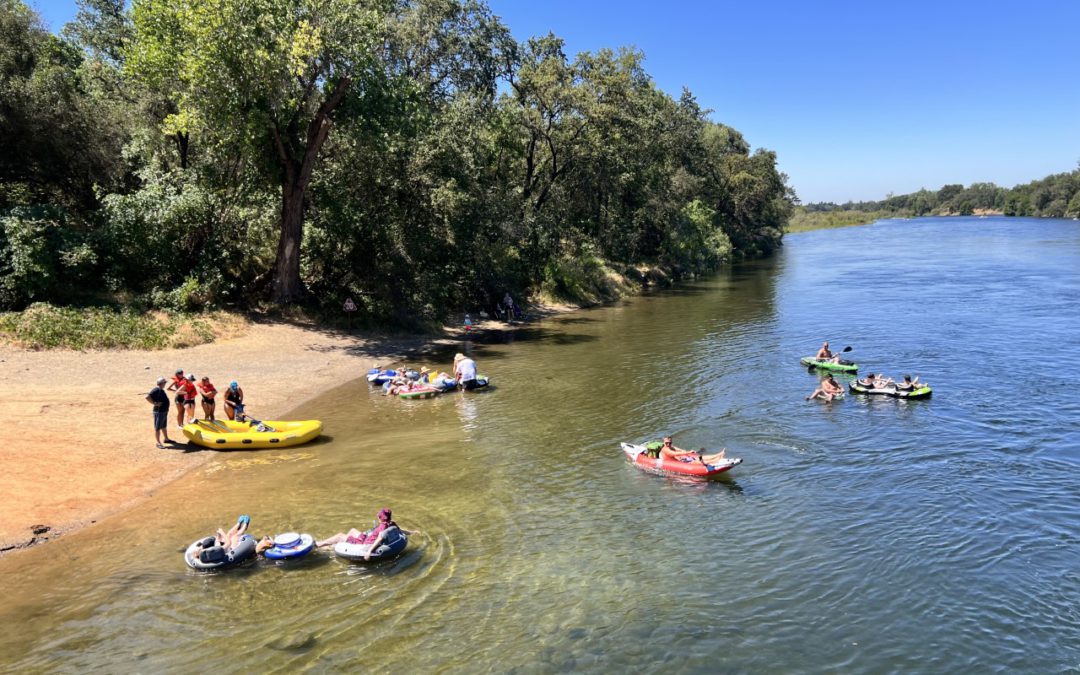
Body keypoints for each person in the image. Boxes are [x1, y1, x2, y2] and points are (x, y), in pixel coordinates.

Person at [317, 508, 417, 561]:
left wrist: (369, 552)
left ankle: (319, 545)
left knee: (340, 535)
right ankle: (337, 546)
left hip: (365, 543)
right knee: (352, 530)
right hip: (368, 537)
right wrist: (412, 532)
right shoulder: (392, 523)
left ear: (380, 518)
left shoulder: (382, 527)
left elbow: (379, 538)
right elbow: (401, 531)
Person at [658, 436, 728, 466]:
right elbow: (674, 453)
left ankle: (718, 454)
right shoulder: (665, 450)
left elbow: (678, 450)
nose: (668, 444)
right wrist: (688, 452)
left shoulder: (671, 447)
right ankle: (716, 460)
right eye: (666, 443)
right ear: (664, 443)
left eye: (670, 443)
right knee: (695, 461)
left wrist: (686, 452)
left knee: (699, 457)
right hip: (675, 463)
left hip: (680, 459)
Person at [146, 377, 173, 448]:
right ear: (161, 383)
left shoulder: (161, 390)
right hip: (159, 411)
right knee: (157, 428)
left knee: (164, 426)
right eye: (164, 383)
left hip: (164, 411)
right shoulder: (156, 390)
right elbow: (147, 397)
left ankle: (166, 439)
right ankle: (158, 443)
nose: (165, 384)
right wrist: (154, 403)